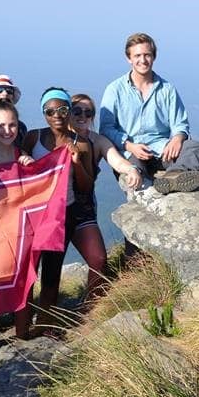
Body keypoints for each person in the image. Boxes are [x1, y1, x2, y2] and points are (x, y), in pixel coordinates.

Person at [15, 88, 105, 338]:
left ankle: (45, 327)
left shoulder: (81, 144)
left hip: (61, 216)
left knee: (52, 273)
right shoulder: (33, 138)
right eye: (50, 111)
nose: (57, 115)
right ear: (44, 113)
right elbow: (17, 167)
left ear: (69, 111)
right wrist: (22, 157)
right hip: (33, 216)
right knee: (27, 274)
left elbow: (86, 185)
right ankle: (21, 333)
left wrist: (76, 163)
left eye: (63, 110)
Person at [99, 32, 199, 194]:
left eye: (147, 55)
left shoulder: (167, 89)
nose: (143, 60)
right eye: (137, 55)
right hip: (130, 151)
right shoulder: (115, 90)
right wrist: (129, 145)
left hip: (162, 149)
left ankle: (174, 176)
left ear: (154, 57)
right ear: (129, 58)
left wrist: (177, 138)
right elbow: (106, 128)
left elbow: (180, 123)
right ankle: (159, 178)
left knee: (195, 147)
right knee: (134, 170)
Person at [68, 93, 142, 298]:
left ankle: (90, 309)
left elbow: (116, 159)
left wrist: (132, 169)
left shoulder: (97, 141)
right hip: (55, 211)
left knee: (99, 259)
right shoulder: (55, 138)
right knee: (49, 265)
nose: (83, 116)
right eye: (77, 111)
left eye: (88, 112)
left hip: (83, 210)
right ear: (67, 112)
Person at [0, 100, 34, 167]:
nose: (7, 131)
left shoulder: (22, 155)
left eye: (12, 125)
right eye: (1, 125)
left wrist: (33, 167)